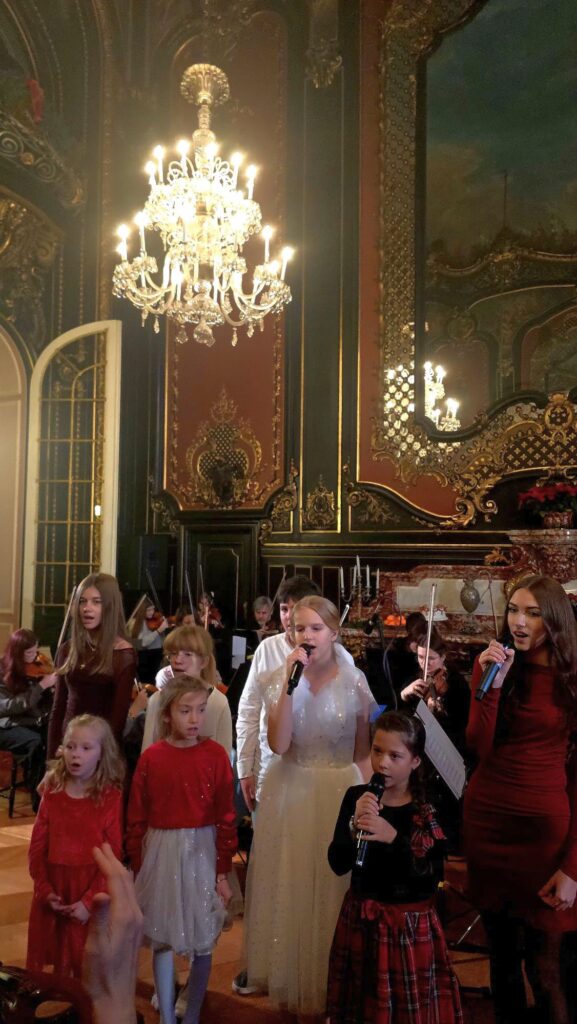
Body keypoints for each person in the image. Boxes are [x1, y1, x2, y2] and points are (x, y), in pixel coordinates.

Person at [242, 596, 375, 1019]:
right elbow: (279, 744)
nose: (307, 635)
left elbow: (363, 751)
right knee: (294, 886)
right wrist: (288, 683)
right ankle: (296, 982)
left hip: (339, 789)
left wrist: (370, 798)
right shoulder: (278, 678)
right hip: (293, 790)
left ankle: (333, 986)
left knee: (334, 890)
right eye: (299, 628)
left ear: (334, 633)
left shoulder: (354, 681)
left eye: (316, 628)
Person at [463, 575, 577, 1024]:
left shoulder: (571, 676)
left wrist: (573, 867)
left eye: (532, 613)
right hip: (488, 823)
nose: (519, 622)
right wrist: (491, 685)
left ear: (555, 620)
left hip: (543, 835)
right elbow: (478, 744)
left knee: (547, 970)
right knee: (503, 960)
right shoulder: (491, 665)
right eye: (513, 610)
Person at [326, 710, 463, 1023]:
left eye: (395, 756)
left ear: (415, 761)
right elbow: (337, 864)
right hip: (361, 918)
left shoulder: (427, 807)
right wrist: (353, 826)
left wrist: (394, 838)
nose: (382, 763)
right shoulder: (357, 797)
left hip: (407, 926)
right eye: (377, 751)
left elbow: (431, 878)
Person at [126, 675, 237, 1024]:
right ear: (167, 714)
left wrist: (222, 871)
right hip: (161, 854)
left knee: (203, 936)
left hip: (201, 853)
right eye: (185, 710)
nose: (194, 719)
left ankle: (192, 1012)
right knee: (162, 936)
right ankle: (167, 1016)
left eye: (200, 710)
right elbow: (136, 817)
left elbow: (226, 815)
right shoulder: (152, 758)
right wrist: (138, 867)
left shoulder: (215, 755)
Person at [26, 714, 125, 979]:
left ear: (102, 753)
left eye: (85, 747)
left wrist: (87, 902)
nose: (75, 754)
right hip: (54, 886)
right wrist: (44, 889)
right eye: (70, 746)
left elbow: (112, 854)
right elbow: (37, 846)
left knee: (86, 966)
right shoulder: (53, 790)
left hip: (90, 889)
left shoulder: (110, 797)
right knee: (51, 965)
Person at [47, 573, 137, 758]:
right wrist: (51, 757)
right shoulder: (67, 649)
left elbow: (117, 722)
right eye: (82, 601)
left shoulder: (123, 655)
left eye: (96, 602)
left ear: (110, 607)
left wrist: (98, 755)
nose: (87, 608)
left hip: (100, 750)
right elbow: (58, 708)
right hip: (67, 745)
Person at [142, 624, 232, 754]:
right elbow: (146, 752)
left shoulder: (218, 702)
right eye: (173, 654)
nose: (177, 660)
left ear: (203, 662)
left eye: (187, 654)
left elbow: (224, 757)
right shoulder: (157, 699)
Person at [0, 628, 57, 795]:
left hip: (28, 720)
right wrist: (41, 686)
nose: (35, 656)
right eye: (29, 652)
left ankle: (53, 789)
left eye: (36, 650)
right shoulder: (2, 670)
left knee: (54, 734)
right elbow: (9, 707)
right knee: (36, 743)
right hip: (6, 725)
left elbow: (36, 706)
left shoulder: (34, 668)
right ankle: (36, 795)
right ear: (17, 652)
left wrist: (52, 692)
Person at [399, 628, 470, 756]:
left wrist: (435, 714)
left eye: (431, 658)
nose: (425, 663)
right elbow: (405, 713)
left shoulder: (456, 683)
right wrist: (404, 694)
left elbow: (459, 724)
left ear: (443, 657)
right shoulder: (415, 675)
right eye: (421, 657)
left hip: (445, 745)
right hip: (415, 737)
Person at [128, 600, 169, 683]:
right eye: (148, 610)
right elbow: (142, 643)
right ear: (142, 610)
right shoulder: (136, 623)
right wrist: (159, 630)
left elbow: (160, 640)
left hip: (157, 655)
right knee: (147, 681)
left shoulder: (155, 620)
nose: (152, 612)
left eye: (153, 609)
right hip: (145, 657)